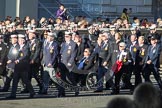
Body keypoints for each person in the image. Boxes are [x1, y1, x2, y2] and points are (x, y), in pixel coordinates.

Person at [6, 34, 35, 99]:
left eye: (20, 40)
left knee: (26, 81)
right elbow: (15, 55)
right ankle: (13, 95)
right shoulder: (18, 47)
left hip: (23, 67)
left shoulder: (26, 47)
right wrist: (11, 59)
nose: (19, 41)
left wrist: (18, 60)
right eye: (19, 39)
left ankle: (32, 92)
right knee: (15, 81)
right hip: (17, 67)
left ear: (23, 40)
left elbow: (25, 55)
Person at [59, 31, 78, 97]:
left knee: (70, 78)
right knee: (62, 79)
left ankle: (76, 89)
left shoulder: (73, 44)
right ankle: (62, 93)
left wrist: (70, 62)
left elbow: (73, 55)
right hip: (63, 63)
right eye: (65, 36)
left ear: (70, 36)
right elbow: (61, 52)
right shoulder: (64, 44)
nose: (66, 38)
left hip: (69, 64)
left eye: (67, 36)